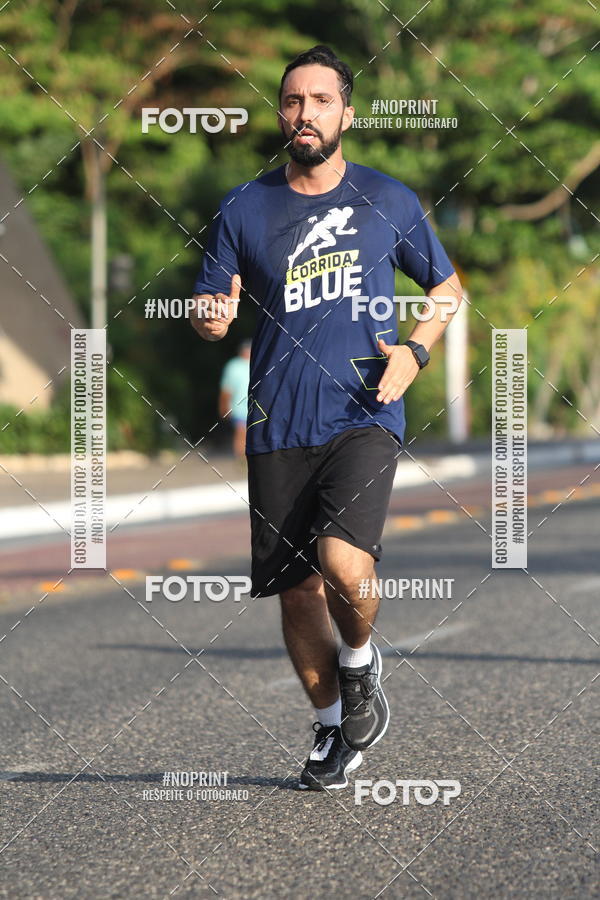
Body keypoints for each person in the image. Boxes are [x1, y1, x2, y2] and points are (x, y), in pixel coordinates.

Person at [192, 45, 463, 791]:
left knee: (343, 564)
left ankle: (359, 664)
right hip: (278, 419)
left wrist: (414, 352)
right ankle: (329, 728)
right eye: (291, 101)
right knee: (297, 591)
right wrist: (209, 319)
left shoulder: (388, 200)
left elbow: (446, 289)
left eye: (318, 100)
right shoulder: (244, 207)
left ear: (347, 112)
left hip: (362, 409)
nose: (303, 112)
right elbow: (210, 302)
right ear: (281, 114)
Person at [219, 339, 251, 459]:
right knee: (241, 432)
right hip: (238, 407)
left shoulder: (257, 362)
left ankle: (248, 457)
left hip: (255, 405)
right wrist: (224, 407)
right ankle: (241, 459)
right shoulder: (233, 366)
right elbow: (226, 388)